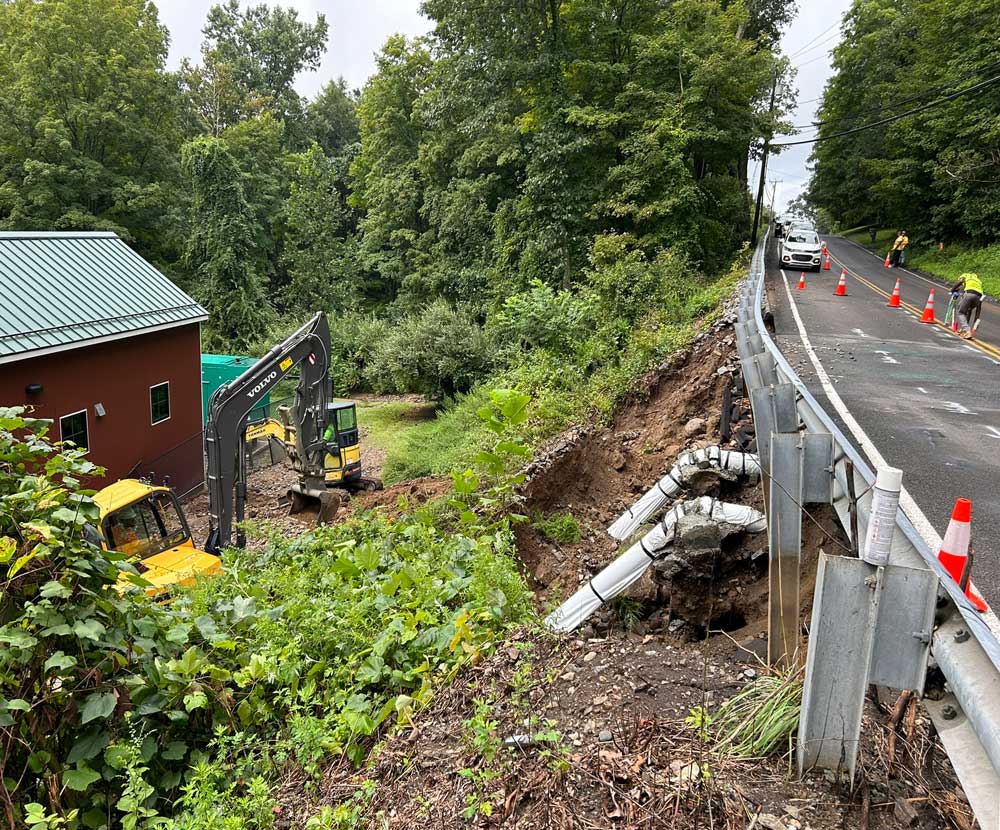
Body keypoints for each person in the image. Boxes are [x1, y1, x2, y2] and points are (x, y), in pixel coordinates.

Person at [951, 272, 984, 340]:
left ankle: (968, 331)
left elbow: (960, 282)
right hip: (979, 297)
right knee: (969, 310)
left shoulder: (966, 275)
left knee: (961, 312)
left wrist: (952, 290)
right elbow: (978, 309)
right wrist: (976, 321)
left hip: (969, 294)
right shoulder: (978, 281)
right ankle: (964, 329)